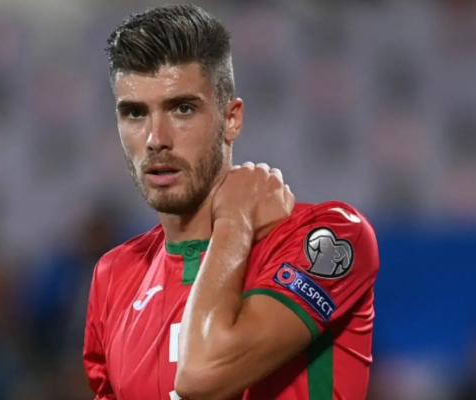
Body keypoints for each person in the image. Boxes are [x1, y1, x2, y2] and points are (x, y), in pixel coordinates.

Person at [83, 4, 380, 400]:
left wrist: (235, 218)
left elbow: (202, 375)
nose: (156, 139)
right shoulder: (115, 276)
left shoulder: (328, 237)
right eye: (135, 113)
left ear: (232, 118)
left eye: (182, 108)